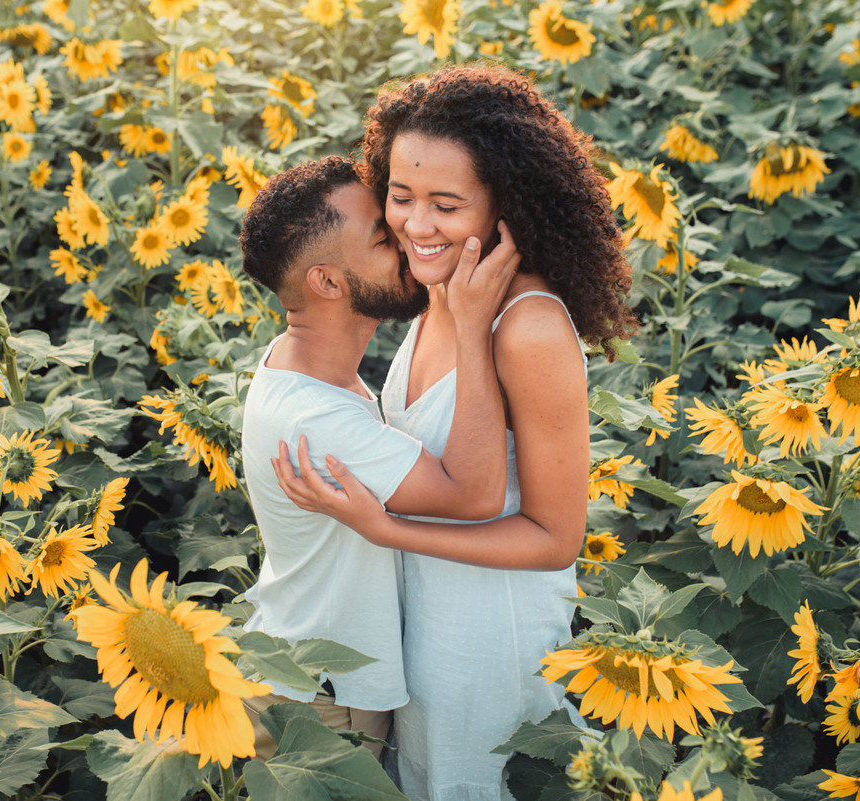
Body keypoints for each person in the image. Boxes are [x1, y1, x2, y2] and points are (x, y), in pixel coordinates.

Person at [272, 64, 637, 800]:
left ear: (506, 204)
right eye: (401, 198)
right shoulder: (443, 285)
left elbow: (553, 537)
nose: (416, 225)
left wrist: (386, 530)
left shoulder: (525, 326)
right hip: (417, 632)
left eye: (447, 203)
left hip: (486, 642)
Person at [236, 154, 521, 761]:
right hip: (322, 703)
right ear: (329, 283)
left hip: (306, 674)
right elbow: (474, 496)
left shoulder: (306, 367)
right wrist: (472, 328)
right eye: (382, 236)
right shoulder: (317, 418)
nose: (408, 238)